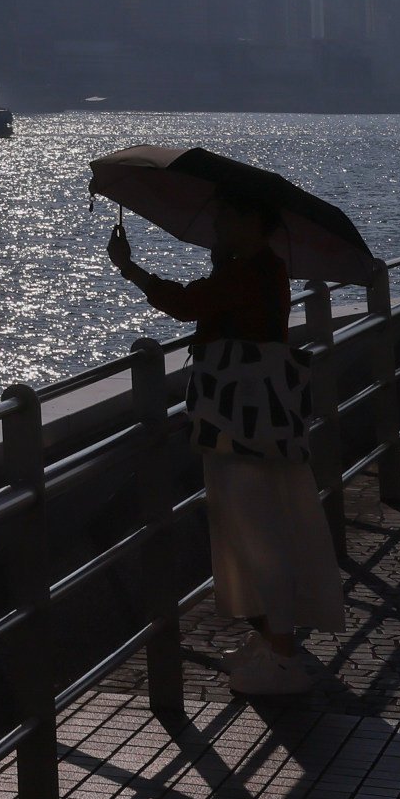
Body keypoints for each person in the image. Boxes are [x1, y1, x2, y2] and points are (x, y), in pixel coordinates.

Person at [106, 197, 343, 696]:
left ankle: (281, 658)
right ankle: (275, 643)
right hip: (261, 421)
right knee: (259, 530)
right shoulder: (263, 270)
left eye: (227, 215)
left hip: (240, 424)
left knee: (258, 535)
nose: (218, 222)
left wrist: (130, 269)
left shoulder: (247, 274)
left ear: (254, 219)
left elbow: (187, 304)